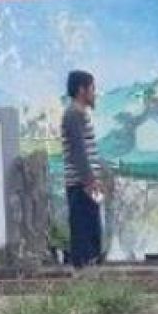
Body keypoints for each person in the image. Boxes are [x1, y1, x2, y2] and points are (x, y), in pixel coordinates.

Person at [62, 70, 104, 268]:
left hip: (85, 184)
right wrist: (89, 180)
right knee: (83, 231)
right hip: (81, 185)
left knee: (92, 229)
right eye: (92, 88)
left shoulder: (79, 114)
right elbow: (78, 151)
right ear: (81, 90)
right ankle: (84, 273)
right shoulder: (73, 115)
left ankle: (91, 269)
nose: (94, 93)